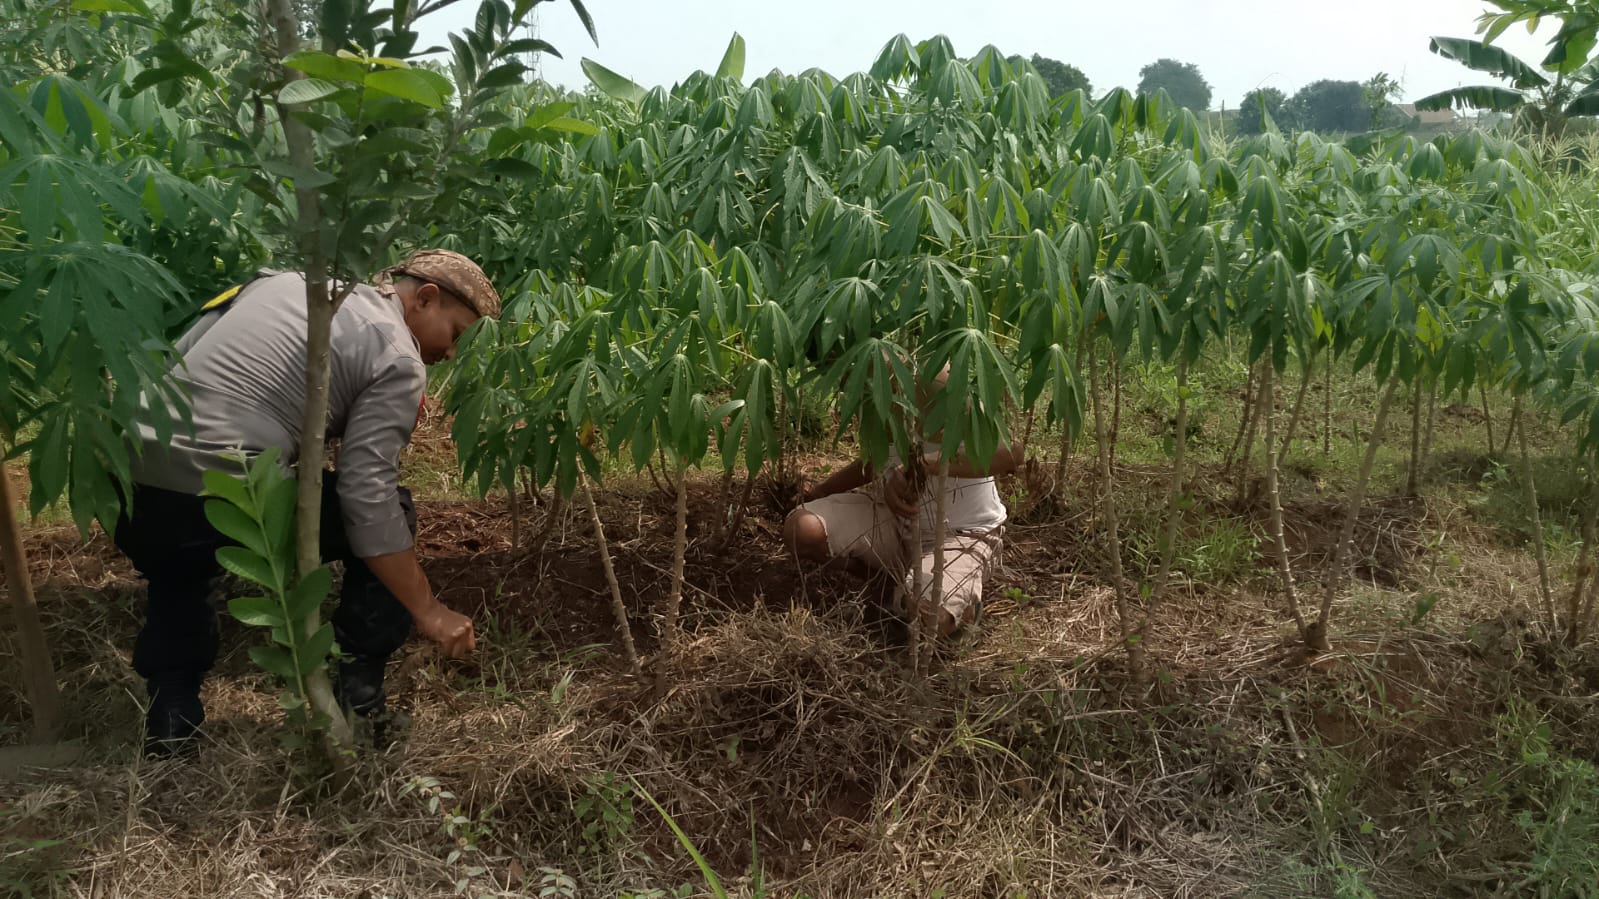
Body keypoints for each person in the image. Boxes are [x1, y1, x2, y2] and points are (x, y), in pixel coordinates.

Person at [113, 249, 498, 758]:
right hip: (233, 489)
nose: (449, 354)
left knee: (179, 567)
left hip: (131, 482)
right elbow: (368, 495)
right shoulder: (397, 354)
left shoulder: (285, 284)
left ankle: (171, 719)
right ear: (425, 298)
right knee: (393, 515)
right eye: (456, 334)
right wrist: (429, 611)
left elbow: (176, 362)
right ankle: (360, 704)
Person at [784, 370, 1023, 637]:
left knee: (928, 615)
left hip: (962, 534)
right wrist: (823, 489)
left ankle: (959, 608)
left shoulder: (936, 381)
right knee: (802, 529)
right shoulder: (866, 386)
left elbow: (1011, 453)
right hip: (895, 524)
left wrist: (924, 464)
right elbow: (879, 457)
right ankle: (888, 585)